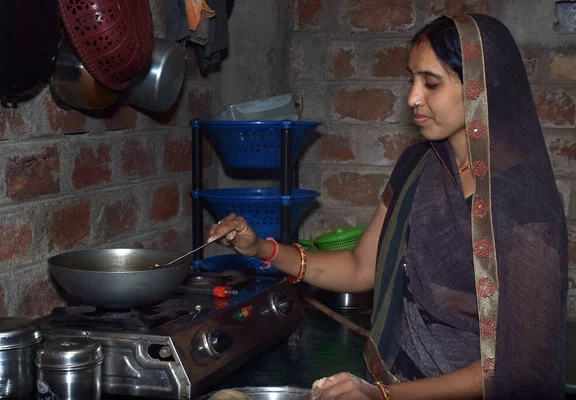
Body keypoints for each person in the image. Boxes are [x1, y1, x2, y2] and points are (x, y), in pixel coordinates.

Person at [207, 14, 568, 400]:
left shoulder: (522, 208)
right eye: (411, 80)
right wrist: (262, 249)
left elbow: (516, 369)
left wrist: (382, 396)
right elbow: (362, 267)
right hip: (394, 378)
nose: (413, 97)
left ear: (481, 88)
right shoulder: (418, 166)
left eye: (431, 82)